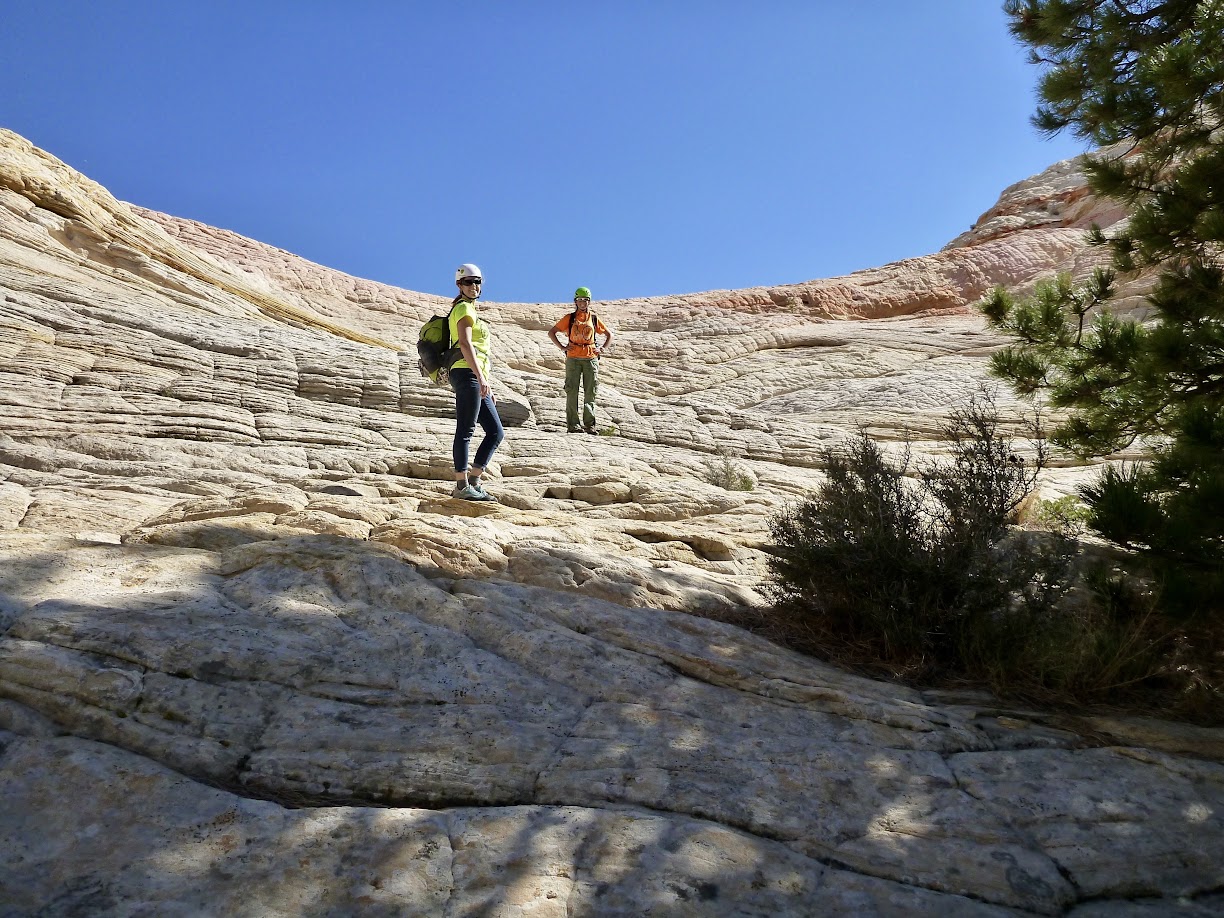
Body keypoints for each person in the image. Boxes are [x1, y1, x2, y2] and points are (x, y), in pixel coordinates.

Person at [448, 263, 504, 501]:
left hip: (475, 375)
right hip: (466, 373)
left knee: (495, 432)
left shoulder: (471, 309)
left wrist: (485, 382)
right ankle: (461, 486)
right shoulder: (463, 308)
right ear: (459, 285)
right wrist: (480, 378)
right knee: (466, 429)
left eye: (477, 281)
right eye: (468, 282)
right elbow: (465, 343)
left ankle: (473, 481)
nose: (474, 286)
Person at [548, 286, 613, 434]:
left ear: (589, 301)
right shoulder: (569, 318)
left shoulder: (594, 318)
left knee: (590, 392)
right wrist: (562, 347)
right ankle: (573, 426)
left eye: (585, 300)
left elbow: (609, 335)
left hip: (590, 358)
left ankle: (589, 425)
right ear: (575, 301)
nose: (582, 303)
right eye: (580, 300)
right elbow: (552, 332)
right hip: (573, 359)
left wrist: (602, 349)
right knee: (572, 391)